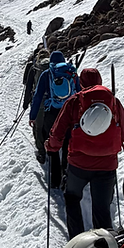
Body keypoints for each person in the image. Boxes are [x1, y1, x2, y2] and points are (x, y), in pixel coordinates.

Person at [45, 67, 124, 239]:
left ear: (81, 83)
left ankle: (77, 242)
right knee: (102, 208)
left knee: (72, 198)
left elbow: (58, 132)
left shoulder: (74, 101)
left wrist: (51, 147)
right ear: (100, 81)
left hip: (78, 164)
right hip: (107, 165)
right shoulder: (113, 101)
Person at [29, 50, 78, 186]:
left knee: (53, 144)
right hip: (70, 112)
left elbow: (38, 96)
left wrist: (33, 116)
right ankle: (66, 175)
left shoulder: (47, 74)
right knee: (68, 144)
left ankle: (55, 179)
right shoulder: (71, 72)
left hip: (52, 113)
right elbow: (80, 93)